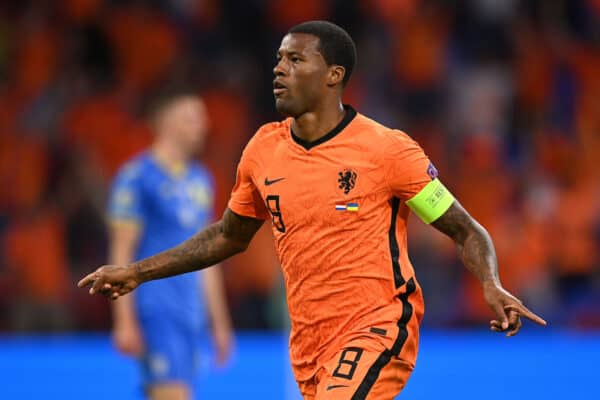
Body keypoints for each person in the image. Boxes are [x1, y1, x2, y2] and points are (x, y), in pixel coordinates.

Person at [79, 21, 546, 399]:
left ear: (333, 75)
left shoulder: (387, 151)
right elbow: (227, 236)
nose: (279, 69)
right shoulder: (263, 150)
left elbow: (465, 229)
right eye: (279, 58)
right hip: (309, 345)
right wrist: (138, 271)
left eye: (295, 59)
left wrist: (491, 282)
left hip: (377, 327)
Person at [107, 92, 232, 400]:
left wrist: (220, 322)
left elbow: (209, 256)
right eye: (193, 118)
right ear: (167, 123)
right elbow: (121, 251)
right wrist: (123, 320)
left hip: (192, 313)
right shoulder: (137, 178)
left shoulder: (200, 180)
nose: (203, 125)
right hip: (157, 309)